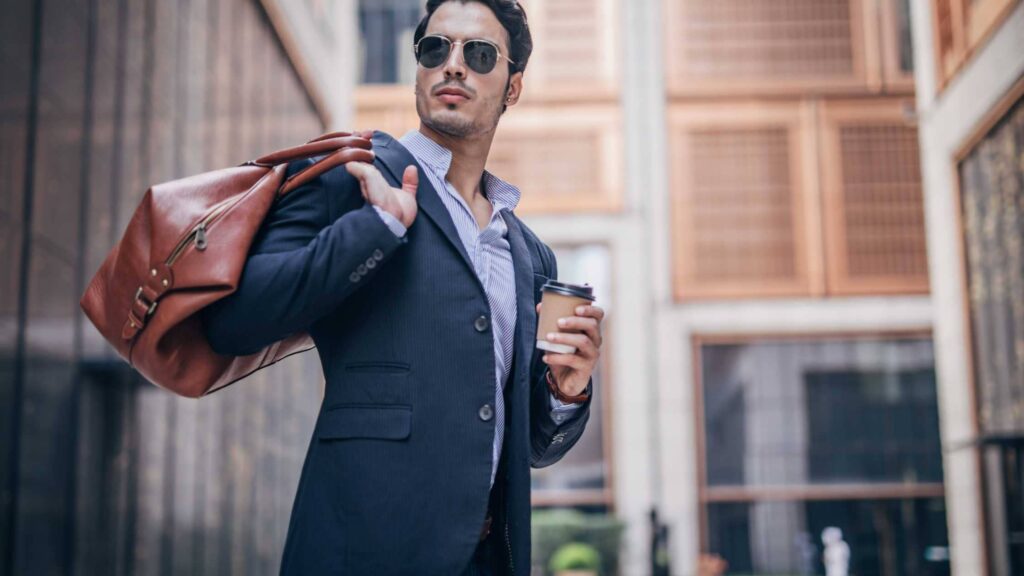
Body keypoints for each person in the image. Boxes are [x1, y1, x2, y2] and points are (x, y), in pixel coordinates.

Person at [200, 0, 604, 574]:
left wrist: (567, 389)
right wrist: (376, 228)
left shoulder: (529, 255)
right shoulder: (351, 175)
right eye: (435, 49)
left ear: (512, 88)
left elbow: (533, 448)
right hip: (362, 554)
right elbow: (234, 322)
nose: (453, 64)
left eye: (479, 54)